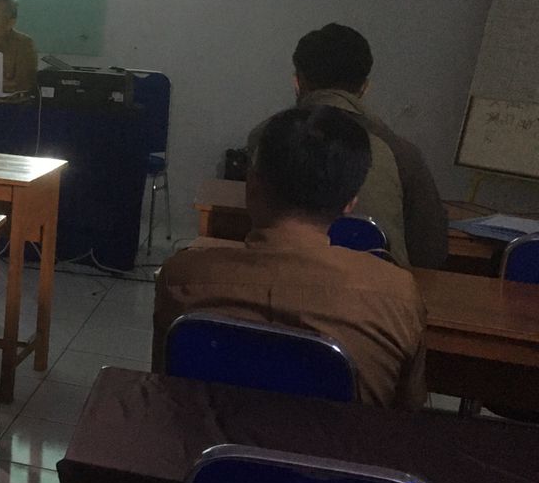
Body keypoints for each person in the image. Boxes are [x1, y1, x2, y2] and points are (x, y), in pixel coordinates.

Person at [157, 105, 427, 408]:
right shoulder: (397, 295)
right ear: (351, 202)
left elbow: (165, 397)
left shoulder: (181, 277)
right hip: (335, 454)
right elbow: (407, 418)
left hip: (206, 452)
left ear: (252, 185)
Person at [292, 23, 446, 268]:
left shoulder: (266, 138)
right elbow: (431, 251)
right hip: (382, 294)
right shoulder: (402, 153)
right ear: (364, 88)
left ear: (298, 82)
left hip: (289, 285)